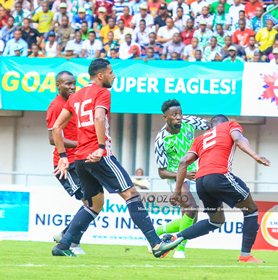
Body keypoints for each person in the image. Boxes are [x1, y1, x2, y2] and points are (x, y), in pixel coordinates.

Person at [51, 59, 181, 257]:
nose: (114, 76)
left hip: (79, 159)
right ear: (100, 75)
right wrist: (101, 147)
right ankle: (155, 244)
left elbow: (56, 128)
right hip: (98, 155)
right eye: (111, 72)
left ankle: (63, 245)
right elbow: (99, 117)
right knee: (132, 195)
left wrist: (62, 156)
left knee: (94, 204)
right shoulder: (103, 93)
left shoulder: (76, 96)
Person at [171, 114, 270, 263]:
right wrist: (255, 156)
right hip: (219, 176)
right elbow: (239, 139)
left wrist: (177, 192)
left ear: (211, 127)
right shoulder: (230, 126)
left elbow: (183, 162)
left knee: (215, 221)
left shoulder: (200, 139)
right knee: (251, 210)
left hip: (201, 182)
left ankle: (175, 237)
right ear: (225, 123)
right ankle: (245, 256)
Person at [154, 99, 210, 258]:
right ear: (165, 117)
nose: (178, 117)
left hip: (195, 175)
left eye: (180, 113)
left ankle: (156, 232)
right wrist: (184, 174)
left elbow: (211, 126)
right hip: (176, 177)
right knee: (191, 209)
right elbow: (162, 172)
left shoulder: (190, 121)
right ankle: (179, 250)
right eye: (174, 115)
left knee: (192, 217)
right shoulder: (161, 140)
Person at [46, 71, 86, 255]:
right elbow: (52, 139)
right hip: (64, 165)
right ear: (58, 85)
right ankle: (71, 242)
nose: (71, 87)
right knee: (90, 201)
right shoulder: (56, 106)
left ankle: (66, 236)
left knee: (93, 201)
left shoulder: (73, 103)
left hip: (78, 160)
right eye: (67, 84)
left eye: (73, 83)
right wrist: (81, 143)